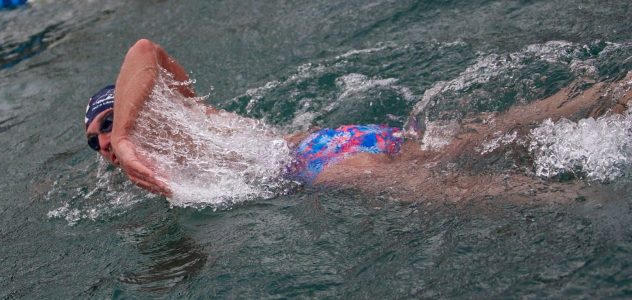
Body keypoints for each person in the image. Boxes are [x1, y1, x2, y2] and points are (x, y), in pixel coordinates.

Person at [85, 39, 631, 201]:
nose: (105, 142)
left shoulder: (170, 125)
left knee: (462, 195)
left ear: (139, 107)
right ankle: (617, 98)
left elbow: (143, 50)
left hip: (318, 163)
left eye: (108, 123)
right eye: (96, 142)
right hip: (338, 141)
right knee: (491, 135)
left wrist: (129, 134)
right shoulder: (182, 141)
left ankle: (586, 200)